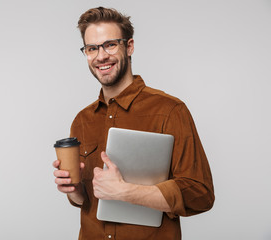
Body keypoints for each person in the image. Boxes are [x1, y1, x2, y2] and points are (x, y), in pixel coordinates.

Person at [53, 6, 214, 240]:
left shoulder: (170, 110)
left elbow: (201, 194)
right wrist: (75, 191)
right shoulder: (82, 120)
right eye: (92, 48)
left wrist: (127, 192)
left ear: (129, 47)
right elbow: (86, 202)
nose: (101, 56)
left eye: (110, 44)